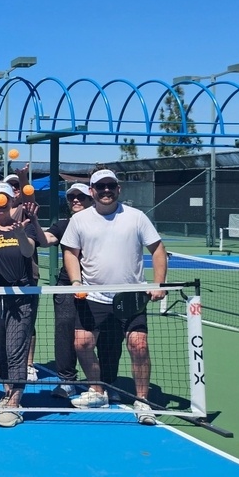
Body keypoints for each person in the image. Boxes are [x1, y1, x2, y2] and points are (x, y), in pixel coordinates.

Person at [61, 169, 167, 425]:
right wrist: (76, 280)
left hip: (131, 297)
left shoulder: (136, 218)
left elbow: (158, 250)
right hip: (93, 297)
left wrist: (157, 283)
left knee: (138, 346)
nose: (105, 190)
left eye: (110, 186)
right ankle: (97, 391)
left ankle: (143, 401)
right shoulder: (80, 220)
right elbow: (71, 253)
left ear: (118, 189)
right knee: (82, 344)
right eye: (100, 187)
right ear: (92, 191)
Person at [0, 183, 47, 428]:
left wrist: (21, 235)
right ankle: (7, 392)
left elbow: (28, 252)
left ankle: (15, 401)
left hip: (21, 293)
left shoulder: (24, 224)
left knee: (16, 346)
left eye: (5, 199)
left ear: (11, 201)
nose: (0, 203)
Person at [41, 182, 94, 398]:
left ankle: (104, 382)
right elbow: (46, 239)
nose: (75, 200)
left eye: (81, 197)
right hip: (67, 286)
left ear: (91, 198)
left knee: (106, 335)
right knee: (64, 331)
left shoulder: (104, 224)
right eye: (72, 197)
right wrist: (32, 223)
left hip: (101, 285)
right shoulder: (64, 225)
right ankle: (67, 381)